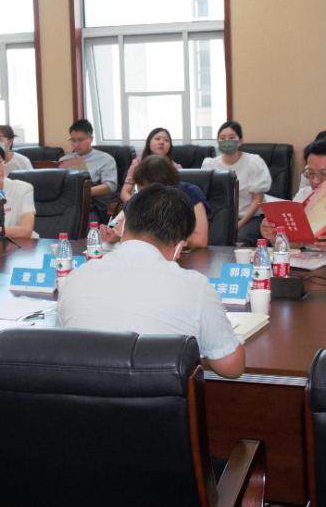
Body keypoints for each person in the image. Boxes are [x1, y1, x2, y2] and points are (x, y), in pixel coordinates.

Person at [59, 184, 244, 379]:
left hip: (83, 396)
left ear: (123, 225)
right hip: (155, 398)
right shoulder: (195, 287)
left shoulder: (76, 277)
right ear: (179, 247)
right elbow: (232, 368)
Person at [105, 155, 209, 249]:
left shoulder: (190, 193)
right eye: (140, 188)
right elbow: (115, 226)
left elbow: (200, 239)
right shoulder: (139, 197)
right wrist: (112, 233)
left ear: (167, 186)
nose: (143, 195)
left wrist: (153, 237)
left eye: (147, 189)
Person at [201, 121, 270, 243]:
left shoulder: (253, 162)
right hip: (221, 219)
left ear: (240, 141)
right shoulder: (210, 164)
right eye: (222, 138)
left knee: (238, 239)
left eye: (232, 137)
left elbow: (257, 199)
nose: (227, 141)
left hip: (250, 218)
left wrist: (238, 225)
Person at [58, 119, 118, 221]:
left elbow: (110, 186)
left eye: (80, 140)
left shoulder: (106, 159)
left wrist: (82, 192)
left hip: (92, 204)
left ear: (91, 139)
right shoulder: (64, 160)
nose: (76, 145)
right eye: (73, 140)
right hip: (65, 203)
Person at [119, 127, 182, 203]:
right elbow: (124, 192)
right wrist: (135, 205)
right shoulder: (138, 163)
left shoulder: (175, 167)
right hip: (141, 203)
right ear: (149, 142)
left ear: (170, 146)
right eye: (157, 139)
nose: (161, 142)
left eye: (166, 140)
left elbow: (181, 193)